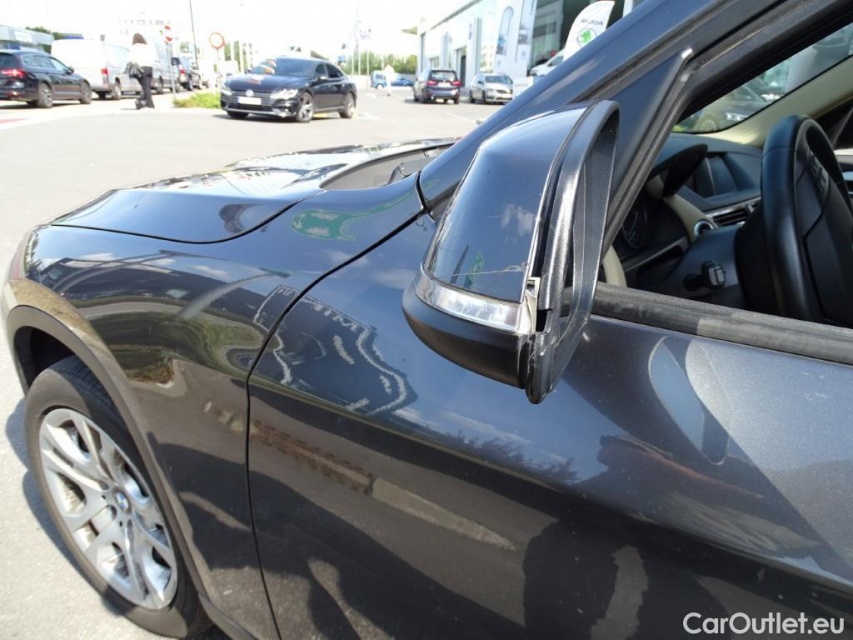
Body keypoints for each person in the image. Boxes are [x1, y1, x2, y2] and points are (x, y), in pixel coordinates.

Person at [130, 33, 155, 109]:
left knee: (145, 87)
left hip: (141, 68)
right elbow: (153, 57)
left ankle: (150, 104)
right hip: (150, 67)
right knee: (147, 86)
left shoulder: (134, 47)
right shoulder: (147, 47)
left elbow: (132, 59)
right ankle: (144, 101)